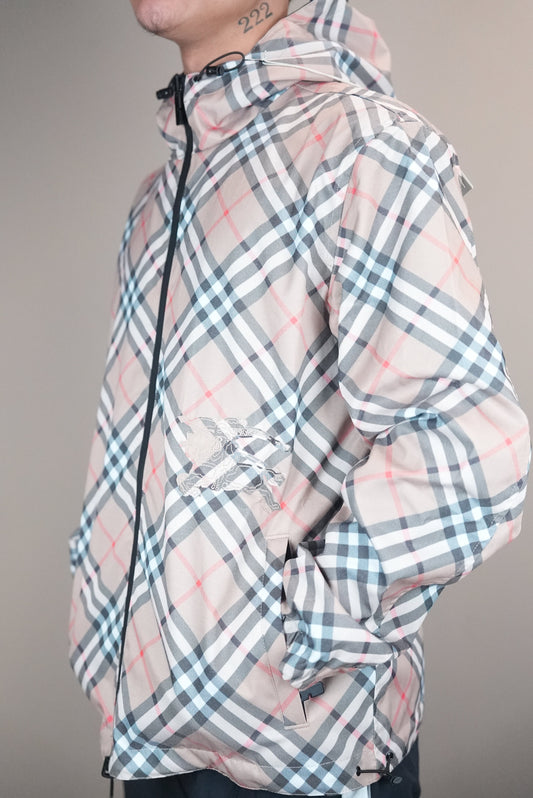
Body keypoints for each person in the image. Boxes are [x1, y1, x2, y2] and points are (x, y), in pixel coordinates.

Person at [68, 1, 530, 797]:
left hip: (298, 752)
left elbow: (472, 453)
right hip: (149, 735)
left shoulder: (365, 148)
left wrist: (296, 639)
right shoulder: (157, 201)